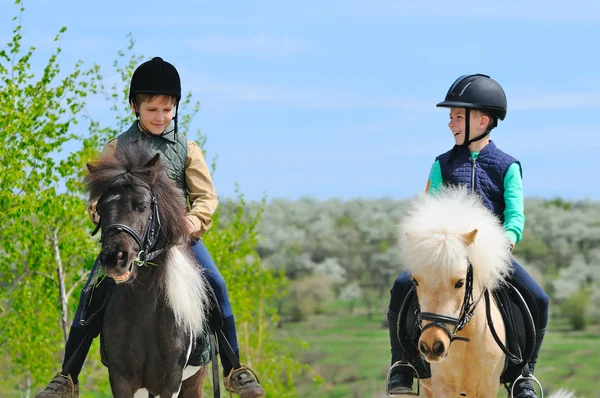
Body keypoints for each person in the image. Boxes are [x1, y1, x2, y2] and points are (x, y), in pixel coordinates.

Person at [36, 57, 265, 398]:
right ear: (134, 107)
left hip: (178, 241)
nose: (160, 117)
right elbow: (100, 196)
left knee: (216, 283)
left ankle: (236, 370)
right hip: (129, 239)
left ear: (175, 108)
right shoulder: (116, 148)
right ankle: (67, 377)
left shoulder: (187, 150)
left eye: (166, 110)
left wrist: (192, 221)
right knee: (90, 292)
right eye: (152, 110)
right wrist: (98, 212)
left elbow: (206, 198)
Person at [386, 74, 549, 398]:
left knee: (538, 298)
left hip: (490, 256)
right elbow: (428, 208)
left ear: (482, 120)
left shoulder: (507, 166)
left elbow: (515, 215)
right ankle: (402, 364)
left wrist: (508, 239)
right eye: (450, 117)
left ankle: (523, 374)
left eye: (457, 117)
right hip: (446, 257)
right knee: (402, 286)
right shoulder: (442, 164)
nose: (451, 123)